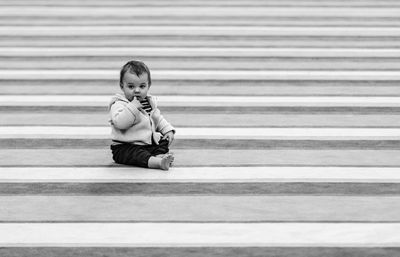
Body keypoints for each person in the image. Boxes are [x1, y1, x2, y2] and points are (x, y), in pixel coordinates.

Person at [108, 60, 175, 170]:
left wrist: (167, 129)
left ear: (148, 86)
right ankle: (157, 162)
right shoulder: (119, 104)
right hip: (126, 146)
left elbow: (157, 118)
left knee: (163, 140)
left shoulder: (148, 102)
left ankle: (159, 156)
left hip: (147, 143)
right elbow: (120, 123)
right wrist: (132, 108)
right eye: (131, 86)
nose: (137, 90)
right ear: (122, 86)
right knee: (136, 155)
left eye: (142, 86)